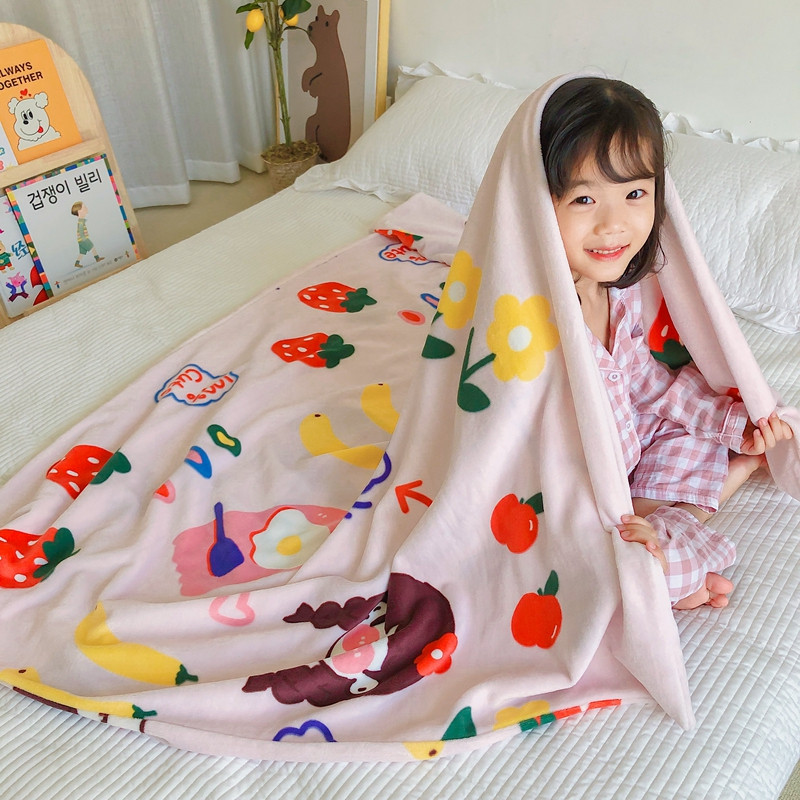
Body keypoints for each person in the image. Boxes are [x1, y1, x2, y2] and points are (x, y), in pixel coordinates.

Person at [539, 77, 793, 610]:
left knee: (697, 418)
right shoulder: (531, 318)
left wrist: (731, 424)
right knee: (595, 560)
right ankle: (673, 562)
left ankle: (683, 517)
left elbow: (648, 387)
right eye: (584, 198)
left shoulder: (619, 293)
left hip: (633, 447)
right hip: (573, 484)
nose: (614, 225)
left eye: (635, 194)